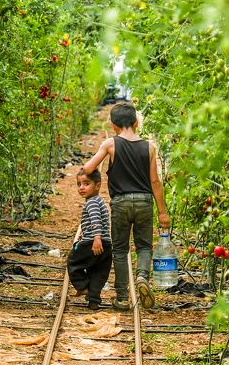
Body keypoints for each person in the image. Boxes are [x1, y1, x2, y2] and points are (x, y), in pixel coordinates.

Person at [81, 102, 170, 310]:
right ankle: (141, 277)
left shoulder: (110, 144)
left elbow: (88, 167)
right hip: (144, 202)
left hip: (120, 203)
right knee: (144, 246)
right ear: (136, 123)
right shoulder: (149, 147)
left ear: (113, 125)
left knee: (120, 250)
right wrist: (163, 212)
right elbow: (155, 182)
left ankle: (122, 298)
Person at [67, 169, 112, 309]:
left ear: (97, 186)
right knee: (98, 273)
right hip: (106, 245)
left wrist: (96, 238)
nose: (81, 187)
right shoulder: (99, 201)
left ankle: (82, 286)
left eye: (86, 184)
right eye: (79, 184)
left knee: (74, 262)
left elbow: (95, 220)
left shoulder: (91, 202)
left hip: (92, 242)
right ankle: (93, 300)